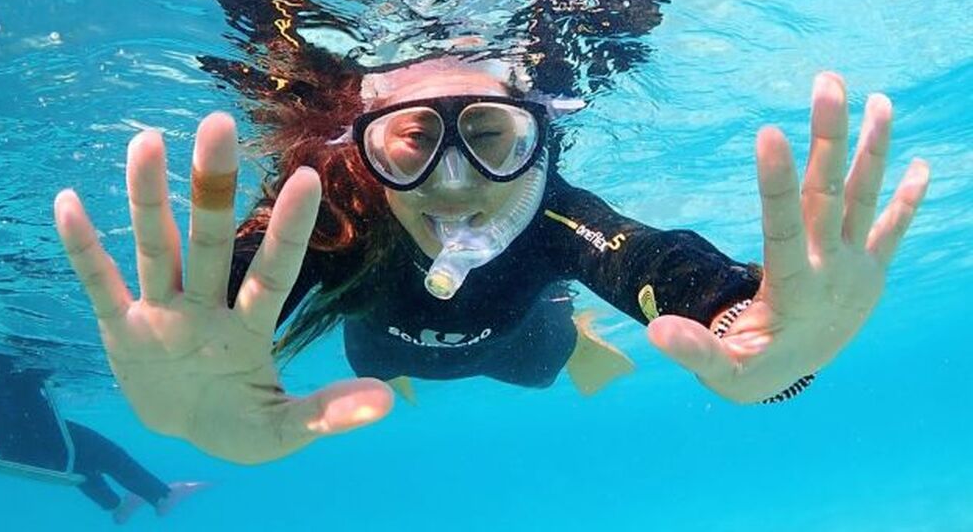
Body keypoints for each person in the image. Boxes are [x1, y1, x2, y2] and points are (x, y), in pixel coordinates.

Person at [51, 51, 929, 466]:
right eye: (413, 142)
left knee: (546, 360)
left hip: (524, 345)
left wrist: (745, 324)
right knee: (376, 363)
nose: (456, 181)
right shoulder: (334, 220)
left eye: (490, 136)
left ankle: (575, 330)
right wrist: (187, 393)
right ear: (366, 152)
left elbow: (652, 261)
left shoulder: (554, 217)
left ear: (537, 142)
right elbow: (228, 300)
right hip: (381, 353)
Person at [0, 342, 207, 524]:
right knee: (99, 453)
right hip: (27, 443)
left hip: (16, 446)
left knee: (81, 458)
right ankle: (160, 497)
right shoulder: (4, 368)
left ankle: (118, 505)